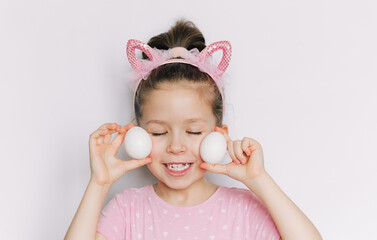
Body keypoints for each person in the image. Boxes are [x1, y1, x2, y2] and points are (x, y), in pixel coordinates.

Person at [64, 20, 322, 240]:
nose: (176, 147)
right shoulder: (127, 210)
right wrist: (99, 184)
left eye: (194, 132)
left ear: (219, 135)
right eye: (158, 133)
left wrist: (259, 180)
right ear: (137, 134)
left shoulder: (243, 209)